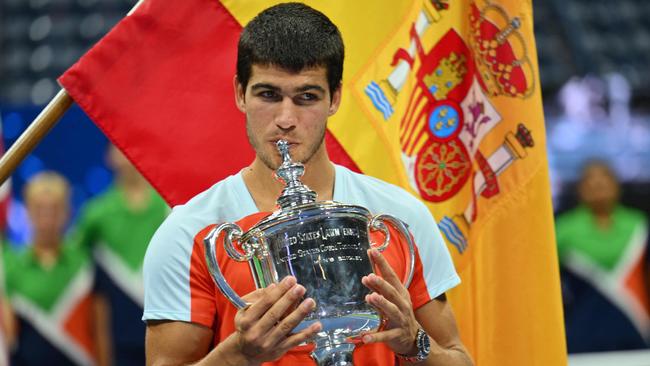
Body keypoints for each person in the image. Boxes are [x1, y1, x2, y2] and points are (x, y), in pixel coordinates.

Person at [143, 3, 473, 365]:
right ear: (240, 93)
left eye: (307, 97)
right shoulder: (189, 232)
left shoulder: (400, 216)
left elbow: (458, 358)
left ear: (335, 98)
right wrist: (239, 353)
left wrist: (415, 343)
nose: (286, 119)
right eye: (268, 95)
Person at [73, 145, 169, 365]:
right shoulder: (95, 213)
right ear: (109, 157)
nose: (126, 153)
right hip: (117, 334)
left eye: (131, 146)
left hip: (169, 323)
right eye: (118, 148)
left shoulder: (170, 207)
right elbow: (78, 269)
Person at [2, 172, 100, 366]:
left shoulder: (85, 263)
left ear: (67, 212)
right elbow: (8, 338)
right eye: (39, 209)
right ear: (27, 211)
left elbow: (99, 327)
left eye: (54, 209)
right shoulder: (10, 267)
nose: (47, 217)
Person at [556, 160, 650, 352]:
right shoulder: (563, 230)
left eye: (604, 179)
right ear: (580, 189)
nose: (598, 185)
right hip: (582, 331)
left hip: (635, 326)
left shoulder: (639, 225)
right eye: (590, 181)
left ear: (617, 186)